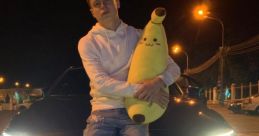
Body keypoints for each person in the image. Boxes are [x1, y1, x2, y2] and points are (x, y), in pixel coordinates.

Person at [78, 0, 180, 135]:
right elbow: (101, 82)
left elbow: (174, 68)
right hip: (103, 112)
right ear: (92, 12)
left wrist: (158, 83)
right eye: (97, 4)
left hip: (136, 108)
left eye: (107, 1)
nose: (103, 6)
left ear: (117, 3)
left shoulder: (140, 36)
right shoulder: (88, 42)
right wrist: (145, 90)